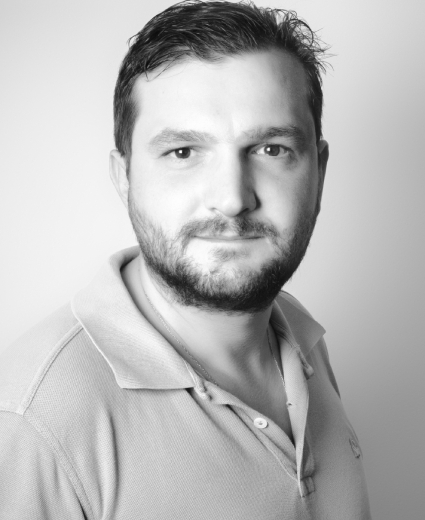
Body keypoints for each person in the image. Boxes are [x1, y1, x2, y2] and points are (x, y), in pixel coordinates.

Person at [0, 1, 371, 518]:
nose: (233, 199)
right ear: (124, 178)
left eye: (271, 149)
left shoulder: (300, 336)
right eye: (183, 153)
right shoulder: (34, 425)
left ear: (319, 171)